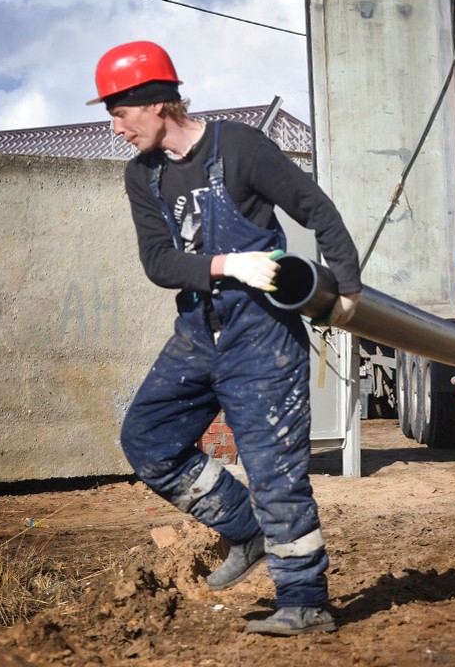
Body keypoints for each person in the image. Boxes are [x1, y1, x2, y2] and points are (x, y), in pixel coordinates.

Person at [87, 40, 362, 635]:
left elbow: (316, 209)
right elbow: (160, 263)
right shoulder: (144, 176)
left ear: (155, 103)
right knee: (149, 439)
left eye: (119, 112)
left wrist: (347, 289)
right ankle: (246, 530)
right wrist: (227, 265)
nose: (115, 128)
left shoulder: (237, 147)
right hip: (198, 332)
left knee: (274, 471)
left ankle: (305, 603)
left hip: (262, 336)